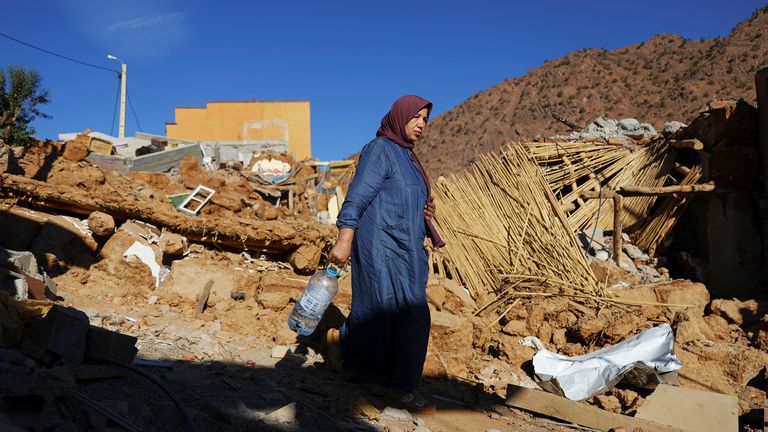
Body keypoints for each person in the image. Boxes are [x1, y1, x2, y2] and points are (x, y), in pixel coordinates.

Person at [327, 95, 445, 413]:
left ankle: (343, 342)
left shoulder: (409, 157)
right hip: (380, 243)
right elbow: (358, 196)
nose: (421, 124)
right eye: (416, 117)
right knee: (395, 314)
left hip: (408, 248)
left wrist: (424, 210)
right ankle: (397, 387)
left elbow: (403, 198)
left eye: (425, 119)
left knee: (394, 313)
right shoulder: (380, 150)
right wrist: (344, 240)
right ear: (400, 116)